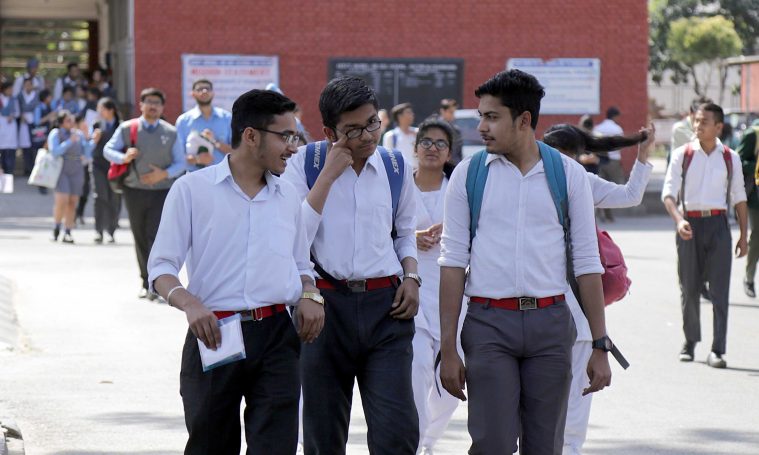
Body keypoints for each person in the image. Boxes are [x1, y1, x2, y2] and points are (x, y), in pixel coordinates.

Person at [438, 69, 611, 455]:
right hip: (487, 325)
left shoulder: (568, 175)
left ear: (524, 120)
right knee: (492, 443)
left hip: (550, 325)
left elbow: (587, 262)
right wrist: (448, 348)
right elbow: (452, 263)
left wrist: (600, 344)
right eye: (481, 116)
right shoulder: (468, 175)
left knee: (545, 445)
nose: (481, 127)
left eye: (491, 117)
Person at [148, 88, 325, 455]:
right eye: (285, 137)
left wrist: (310, 293)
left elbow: (300, 264)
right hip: (216, 334)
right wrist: (191, 305)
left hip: (278, 337)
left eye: (295, 137)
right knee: (211, 445)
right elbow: (161, 268)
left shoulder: (288, 197)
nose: (293, 148)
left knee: (276, 447)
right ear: (251, 136)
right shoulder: (191, 190)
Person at [281, 76, 420, 454]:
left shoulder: (395, 165)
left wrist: (411, 276)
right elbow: (294, 239)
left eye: (372, 123)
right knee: (323, 433)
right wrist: (328, 175)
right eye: (353, 129)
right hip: (324, 308)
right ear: (330, 132)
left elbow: (405, 231)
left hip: (387, 308)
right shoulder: (305, 164)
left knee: (396, 432)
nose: (368, 136)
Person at [543, 122, 655, 455]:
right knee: (536, 404)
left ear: (577, 158)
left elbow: (631, 196)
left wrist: (643, 156)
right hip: (532, 312)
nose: (560, 163)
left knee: (575, 406)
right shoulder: (524, 183)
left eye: (567, 156)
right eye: (553, 154)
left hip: (577, 312)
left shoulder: (582, 182)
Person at [661, 102, 748, 369]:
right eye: (696, 120)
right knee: (689, 287)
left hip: (719, 226)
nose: (697, 125)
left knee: (720, 291)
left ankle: (717, 350)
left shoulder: (730, 157)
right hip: (689, 225)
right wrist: (679, 220)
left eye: (704, 122)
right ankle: (690, 342)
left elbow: (739, 197)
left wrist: (744, 236)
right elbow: (668, 194)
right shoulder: (683, 154)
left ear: (718, 127)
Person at [409, 118, 463, 455]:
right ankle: (415, 445)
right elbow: (379, 231)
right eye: (426, 142)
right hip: (411, 292)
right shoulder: (400, 187)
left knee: (451, 383)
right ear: (415, 148)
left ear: (449, 152)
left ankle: (428, 439)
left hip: (454, 296)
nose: (432, 148)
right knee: (416, 372)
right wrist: (410, 238)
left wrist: (455, 233)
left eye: (440, 143)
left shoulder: (458, 190)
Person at [104, 87, 186, 300]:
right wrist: (123, 157)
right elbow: (108, 150)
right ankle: (145, 281)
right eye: (148, 102)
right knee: (140, 235)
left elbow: (181, 162)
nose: (152, 106)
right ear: (141, 105)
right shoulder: (127, 128)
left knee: (156, 236)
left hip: (162, 191)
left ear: (162, 107)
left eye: (157, 103)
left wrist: (163, 174)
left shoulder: (170, 132)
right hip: (134, 190)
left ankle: (156, 283)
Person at [47, 110, 95, 243]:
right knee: (62, 200)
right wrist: (69, 141)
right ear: (61, 122)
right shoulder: (56, 133)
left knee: (73, 202)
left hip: (77, 169)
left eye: (72, 120)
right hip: (62, 169)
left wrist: (92, 140)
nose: (72, 123)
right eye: (68, 120)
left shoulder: (79, 134)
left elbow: (87, 152)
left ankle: (68, 231)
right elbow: (54, 152)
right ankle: (56, 227)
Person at [175, 79, 232, 171]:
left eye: (207, 89)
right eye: (200, 89)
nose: (204, 91)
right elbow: (178, 156)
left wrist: (214, 141)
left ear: (213, 93)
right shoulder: (183, 121)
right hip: (194, 175)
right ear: (193, 94)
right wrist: (197, 159)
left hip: (223, 174)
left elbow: (236, 152)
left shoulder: (227, 118)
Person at [90, 97, 122, 244]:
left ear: (111, 110)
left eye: (101, 109)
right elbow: (89, 145)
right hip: (98, 164)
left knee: (114, 198)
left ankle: (111, 230)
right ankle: (99, 231)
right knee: (100, 196)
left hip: (115, 165)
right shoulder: (96, 125)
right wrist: (94, 139)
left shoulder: (121, 126)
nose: (99, 112)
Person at [594, 106, 626, 221]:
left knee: (600, 187)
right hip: (613, 161)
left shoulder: (597, 128)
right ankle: (607, 213)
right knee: (612, 188)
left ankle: (601, 212)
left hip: (600, 161)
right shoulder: (617, 129)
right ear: (615, 116)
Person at [739, 118, 759, 298]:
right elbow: (738, 160)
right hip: (755, 197)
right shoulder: (753, 133)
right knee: (757, 236)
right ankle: (749, 278)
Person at [32, 89, 57, 194]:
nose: (51, 99)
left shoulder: (49, 107)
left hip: (48, 135)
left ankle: (44, 182)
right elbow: (37, 122)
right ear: (45, 98)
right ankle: (40, 184)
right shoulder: (39, 108)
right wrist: (49, 116)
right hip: (40, 137)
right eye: (49, 97)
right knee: (41, 159)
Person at [383, 102, 419, 168]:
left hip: (416, 172)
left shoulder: (418, 133)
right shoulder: (390, 136)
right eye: (408, 112)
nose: (412, 114)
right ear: (400, 116)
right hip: (400, 172)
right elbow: (388, 158)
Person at [17, 78, 40, 176]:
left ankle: (35, 170)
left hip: (34, 123)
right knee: (25, 147)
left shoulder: (36, 95)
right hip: (23, 123)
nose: (28, 87)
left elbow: (36, 107)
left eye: (29, 84)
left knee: (35, 146)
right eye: (26, 85)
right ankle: (27, 169)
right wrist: (22, 114)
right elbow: (18, 108)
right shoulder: (20, 95)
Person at [436, 98, 464, 165]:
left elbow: (458, 152)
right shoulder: (435, 128)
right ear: (442, 111)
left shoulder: (456, 130)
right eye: (451, 112)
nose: (453, 115)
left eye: (454, 112)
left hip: (453, 165)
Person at [0, 81, 19, 175]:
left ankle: (9, 172)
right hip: (2, 124)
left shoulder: (14, 100)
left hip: (11, 126)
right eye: (9, 89)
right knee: (2, 151)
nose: (11, 91)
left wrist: (12, 116)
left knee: (10, 151)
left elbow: (17, 112)